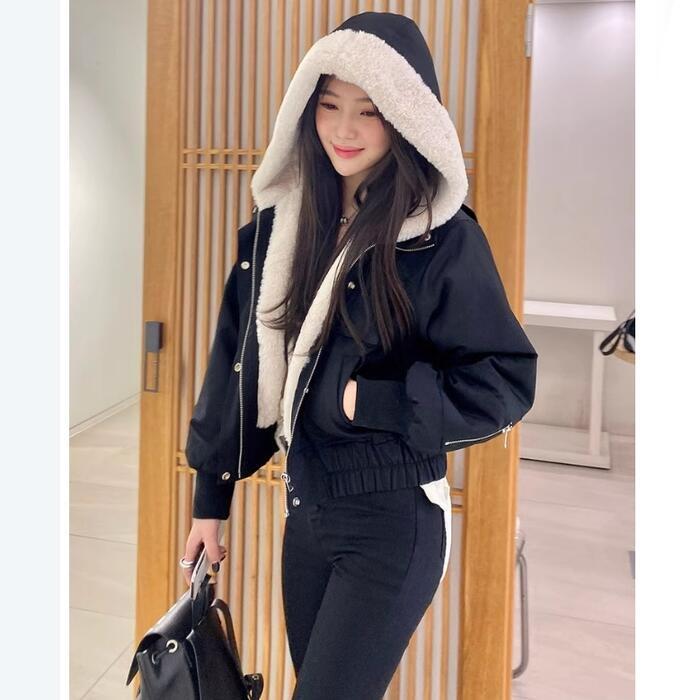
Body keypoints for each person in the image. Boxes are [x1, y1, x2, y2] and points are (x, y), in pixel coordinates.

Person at [180, 11, 538, 699]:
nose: (344, 128)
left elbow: (504, 381)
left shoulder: (440, 239)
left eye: (369, 111)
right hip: (307, 511)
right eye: (329, 104)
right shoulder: (280, 230)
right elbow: (234, 363)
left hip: (393, 518)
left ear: (405, 117)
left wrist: (372, 400)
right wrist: (210, 499)